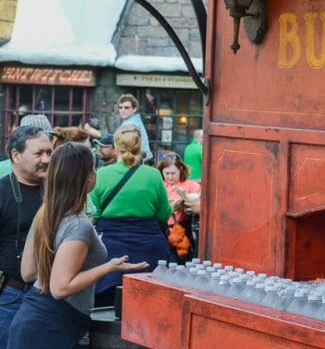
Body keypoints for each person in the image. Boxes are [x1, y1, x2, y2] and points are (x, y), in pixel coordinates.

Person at [8, 143, 147, 348]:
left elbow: (28, 272)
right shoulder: (78, 224)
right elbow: (60, 287)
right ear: (87, 176)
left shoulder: (45, 213)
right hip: (51, 325)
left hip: (30, 319)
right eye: (93, 168)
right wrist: (109, 267)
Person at [88, 125, 171, 307]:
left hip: (111, 249)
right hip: (149, 249)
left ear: (116, 147)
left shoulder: (101, 174)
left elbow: (93, 214)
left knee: (107, 306)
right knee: (151, 304)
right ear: (140, 148)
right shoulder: (153, 174)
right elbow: (164, 213)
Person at [0, 126, 52, 348]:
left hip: (50, 296)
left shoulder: (55, 191)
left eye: (49, 153)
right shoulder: (2, 192)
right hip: (11, 296)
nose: (47, 159)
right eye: (39, 153)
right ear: (15, 155)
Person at [157, 155, 200, 262]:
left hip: (181, 232)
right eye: (167, 173)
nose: (170, 177)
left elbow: (199, 204)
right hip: (161, 231)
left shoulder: (191, 185)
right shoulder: (159, 185)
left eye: (173, 173)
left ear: (181, 170)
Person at [116, 94, 152, 163]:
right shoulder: (135, 121)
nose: (122, 110)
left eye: (126, 108)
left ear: (135, 109)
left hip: (132, 161)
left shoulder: (130, 124)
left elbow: (125, 147)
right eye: (120, 107)